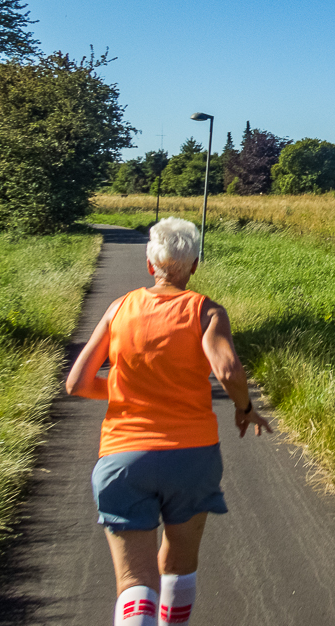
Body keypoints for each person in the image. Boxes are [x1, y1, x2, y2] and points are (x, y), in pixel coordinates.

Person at [66, 217, 271, 626]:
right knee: (179, 565)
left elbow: (77, 382)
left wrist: (129, 390)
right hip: (192, 457)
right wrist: (244, 408)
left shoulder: (119, 308)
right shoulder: (207, 312)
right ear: (194, 265)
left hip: (124, 456)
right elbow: (228, 370)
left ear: (149, 264)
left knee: (134, 579)